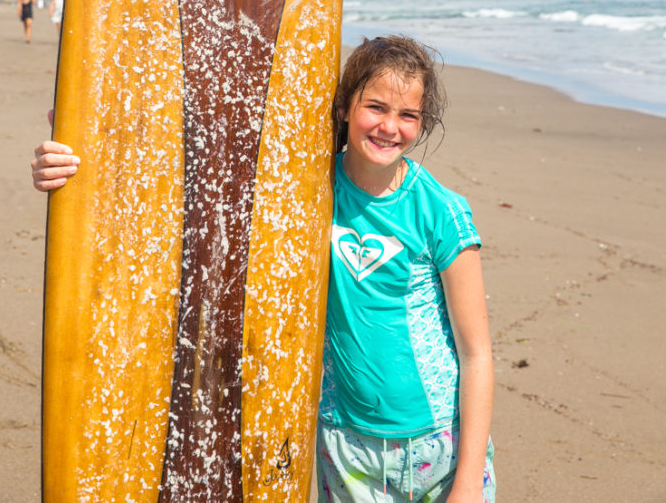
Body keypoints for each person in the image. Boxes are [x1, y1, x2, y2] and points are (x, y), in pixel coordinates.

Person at [31, 34, 495, 501]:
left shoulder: (440, 211)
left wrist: (470, 477)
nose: (390, 126)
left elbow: (476, 354)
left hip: (439, 443)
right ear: (344, 109)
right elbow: (188, 184)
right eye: (375, 107)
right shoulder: (305, 188)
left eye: (408, 115)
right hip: (344, 444)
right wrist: (81, 156)